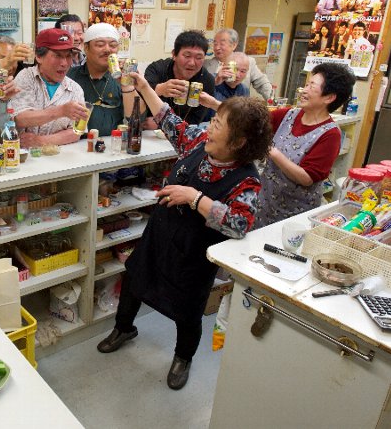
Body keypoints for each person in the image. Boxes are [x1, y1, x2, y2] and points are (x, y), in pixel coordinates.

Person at [96, 68, 272, 391]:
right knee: (135, 279)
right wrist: (146, 87)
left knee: (188, 310)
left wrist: (194, 198)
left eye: (219, 123)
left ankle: (183, 357)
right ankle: (124, 328)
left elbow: (238, 223)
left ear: (239, 141)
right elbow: (167, 119)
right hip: (160, 235)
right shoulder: (199, 143)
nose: (211, 126)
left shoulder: (247, 179)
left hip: (194, 254)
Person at [254, 63, 355, 228]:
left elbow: (307, 178)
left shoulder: (330, 134)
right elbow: (253, 119)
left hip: (295, 214)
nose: (304, 90)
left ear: (329, 97)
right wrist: (217, 104)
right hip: (264, 204)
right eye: (306, 84)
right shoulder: (288, 115)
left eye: (312, 86)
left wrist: (272, 152)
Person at [11, 28, 88, 147]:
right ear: (39, 57)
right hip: (24, 159)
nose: (65, 63)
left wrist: (40, 141)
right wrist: (61, 111)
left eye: (68, 56)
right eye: (57, 56)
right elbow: (20, 118)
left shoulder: (75, 89)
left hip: (60, 159)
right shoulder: (26, 78)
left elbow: (76, 131)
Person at [66, 23, 136, 136]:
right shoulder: (69, 77)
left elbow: (137, 118)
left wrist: (128, 86)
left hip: (112, 145)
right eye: (100, 45)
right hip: (75, 145)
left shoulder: (123, 78)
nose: (108, 50)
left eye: (113, 45)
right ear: (86, 48)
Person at [145, 29, 216, 125]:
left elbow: (195, 119)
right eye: (187, 56)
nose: (192, 63)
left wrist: (165, 124)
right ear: (174, 54)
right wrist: (159, 89)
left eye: (199, 58)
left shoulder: (207, 81)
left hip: (182, 134)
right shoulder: (157, 69)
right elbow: (139, 96)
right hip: (149, 134)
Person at [203, 28, 273, 100]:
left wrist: (271, 100)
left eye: (222, 44)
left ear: (234, 45)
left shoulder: (248, 62)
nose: (217, 48)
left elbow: (262, 83)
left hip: (239, 105)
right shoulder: (205, 64)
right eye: (215, 44)